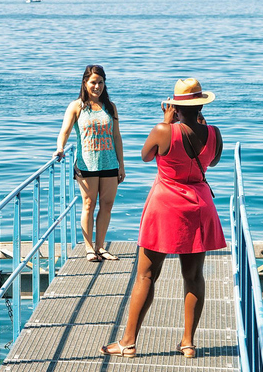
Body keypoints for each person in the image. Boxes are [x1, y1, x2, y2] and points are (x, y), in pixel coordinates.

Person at [100, 78, 225, 359]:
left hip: (166, 207)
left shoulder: (163, 130)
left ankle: (128, 343)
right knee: (193, 276)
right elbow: (213, 161)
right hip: (199, 207)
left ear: (175, 106)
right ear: (201, 104)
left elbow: (146, 156)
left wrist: (167, 122)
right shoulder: (215, 133)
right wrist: (196, 125)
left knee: (146, 275)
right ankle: (188, 343)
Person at [53, 65, 125, 263]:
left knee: (107, 204)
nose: (97, 86)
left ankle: (101, 246)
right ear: (85, 83)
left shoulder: (110, 106)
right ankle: (89, 248)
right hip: (87, 164)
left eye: (101, 82)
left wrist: (121, 165)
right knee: (88, 204)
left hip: (109, 162)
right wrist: (60, 147)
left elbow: (116, 136)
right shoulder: (76, 106)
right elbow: (65, 131)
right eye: (93, 82)